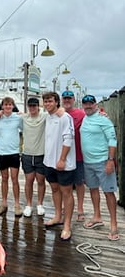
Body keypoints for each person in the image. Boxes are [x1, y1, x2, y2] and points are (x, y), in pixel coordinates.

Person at [80, 94, 119, 241]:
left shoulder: (104, 119)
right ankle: (97, 216)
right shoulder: (85, 118)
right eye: (85, 104)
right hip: (87, 162)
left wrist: (110, 160)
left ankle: (113, 224)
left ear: (95, 105)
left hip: (103, 161)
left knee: (109, 192)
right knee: (93, 189)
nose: (88, 106)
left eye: (91, 103)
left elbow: (113, 140)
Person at [42, 92, 76, 241]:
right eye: (45, 102)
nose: (47, 104)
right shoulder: (48, 117)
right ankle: (58, 216)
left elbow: (68, 138)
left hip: (64, 164)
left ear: (57, 102)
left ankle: (67, 225)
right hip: (49, 162)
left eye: (50, 101)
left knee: (67, 192)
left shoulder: (64, 117)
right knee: (55, 189)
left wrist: (62, 159)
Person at [0, 97, 23, 217]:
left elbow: (25, 128)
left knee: (15, 179)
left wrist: (23, 114)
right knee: (4, 179)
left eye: (10, 104)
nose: (7, 106)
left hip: (14, 152)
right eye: (5, 104)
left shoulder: (18, 118)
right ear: (2, 106)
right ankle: (4, 203)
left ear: (13, 106)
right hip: (1, 152)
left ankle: (17, 205)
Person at [61, 90, 85, 222]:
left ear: (73, 99)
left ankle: (80, 209)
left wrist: (102, 115)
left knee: (79, 183)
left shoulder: (81, 114)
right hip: (63, 155)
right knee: (65, 184)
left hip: (79, 155)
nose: (67, 101)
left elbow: (93, 117)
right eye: (65, 98)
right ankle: (66, 206)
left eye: (69, 98)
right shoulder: (59, 114)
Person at [22, 97, 47, 217]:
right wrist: (0, 112)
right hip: (27, 154)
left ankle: (40, 204)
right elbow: (8, 115)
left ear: (38, 106)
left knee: (41, 181)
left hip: (41, 155)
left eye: (34, 106)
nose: (32, 108)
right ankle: (28, 205)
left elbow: (58, 112)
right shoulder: (23, 117)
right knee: (29, 181)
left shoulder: (44, 117)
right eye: (30, 106)